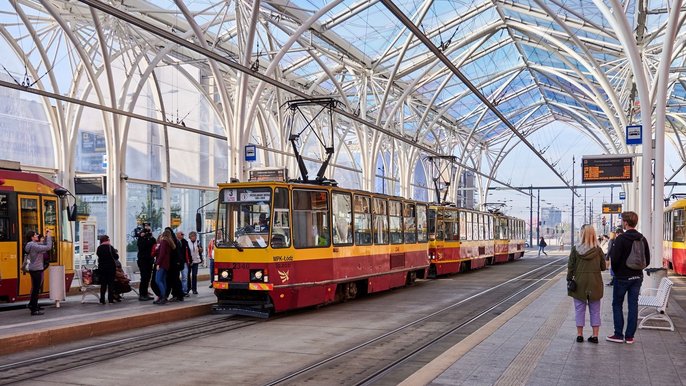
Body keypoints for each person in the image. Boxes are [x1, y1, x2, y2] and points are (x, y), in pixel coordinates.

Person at [606, 211, 650, 344]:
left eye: (622, 221)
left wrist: (618, 272)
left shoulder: (621, 239)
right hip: (637, 277)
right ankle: (629, 336)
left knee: (617, 304)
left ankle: (618, 334)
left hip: (622, 278)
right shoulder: (642, 238)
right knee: (633, 306)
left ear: (625, 222)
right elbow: (647, 260)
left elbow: (615, 259)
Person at [567, 224, 606, 343]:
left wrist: (569, 279)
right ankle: (595, 336)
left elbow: (570, 267)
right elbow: (603, 267)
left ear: (582, 234)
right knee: (595, 310)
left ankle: (579, 335)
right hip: (595, 284)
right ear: (593, 234)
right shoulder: (598, 250)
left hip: (579, 283)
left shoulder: (575, 249)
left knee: (579, 310)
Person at [24, 230, 53, 315]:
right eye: (35, 235)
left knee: (35, 289)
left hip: (33, 269)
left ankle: (32, 305)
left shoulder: (30, 245)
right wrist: (49, 236)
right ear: (32, 237)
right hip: (36, 269)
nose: (37, 236)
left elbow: (43, 245)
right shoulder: (33, 245)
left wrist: (46, 236)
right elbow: (48, 247)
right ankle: (34, 310)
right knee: (36, 290)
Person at [154, 230, 175, 305]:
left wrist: (158, 263)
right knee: (163, 281)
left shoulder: (163, 242)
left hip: (162, 264)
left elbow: (162, 254)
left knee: (158, 280)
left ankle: (163, 297)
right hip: (166, 264)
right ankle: (164, 296)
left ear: (163, 235)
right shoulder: (169, 242)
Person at [96, 235, 118, 305]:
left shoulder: (99, 248)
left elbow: (98, 255)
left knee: (103, 284)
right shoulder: (110, 247)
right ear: (107, 240)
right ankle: (110, 300)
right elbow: (116, 257)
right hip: (111, 268)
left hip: (102, 268)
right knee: (111, 284)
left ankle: (102, 300)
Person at [136, 225, 156, 301]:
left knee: (147, 278)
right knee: (144, 278)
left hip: (149, 261)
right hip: (143, 261)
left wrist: (150, 235)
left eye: (149, 231)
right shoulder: (140, 240)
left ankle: (145, 293)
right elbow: (141, 247)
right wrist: (142, 236)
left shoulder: (151, 239)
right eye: (146, 231)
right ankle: (142, 294)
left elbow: (154, 243)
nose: (147, 232)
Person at [177, 231, 191, 296]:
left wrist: (190, 260)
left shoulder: (185, 242)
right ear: (177, 235)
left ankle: (184, 291)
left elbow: (188, 251)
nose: (182, 235)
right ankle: (177, 291)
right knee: (176, 277)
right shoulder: (175, 241)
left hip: (184, 262)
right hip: (177, 262)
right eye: (181, 234)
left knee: (185, 277)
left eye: (183, 234)